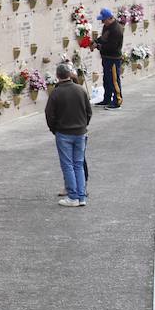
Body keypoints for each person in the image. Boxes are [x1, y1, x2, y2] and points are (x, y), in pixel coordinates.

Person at [45, 62, 92, 207]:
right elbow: (88, 112)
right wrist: (83, 125)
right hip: (80, 132)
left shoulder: (56, 93)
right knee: (78, 164)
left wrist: (55, 129)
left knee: (68, 165)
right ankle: (82, 197)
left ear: (58, 76)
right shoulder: (80, 90)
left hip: (64, 133)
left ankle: (73, 197)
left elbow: (49, 115)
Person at [91, 8, 124, 110]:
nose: (102, 22)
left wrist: (98, 46)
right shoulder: (107, 26)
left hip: (113, 58)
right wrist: (96, 41)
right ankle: (107, 99)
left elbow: (111, 47)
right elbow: (104, 38)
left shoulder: (116, 30)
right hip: (106, 58)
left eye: (103, 20)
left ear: (110, 18)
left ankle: (117, 101)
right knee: (107, 80)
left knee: (114, 80)